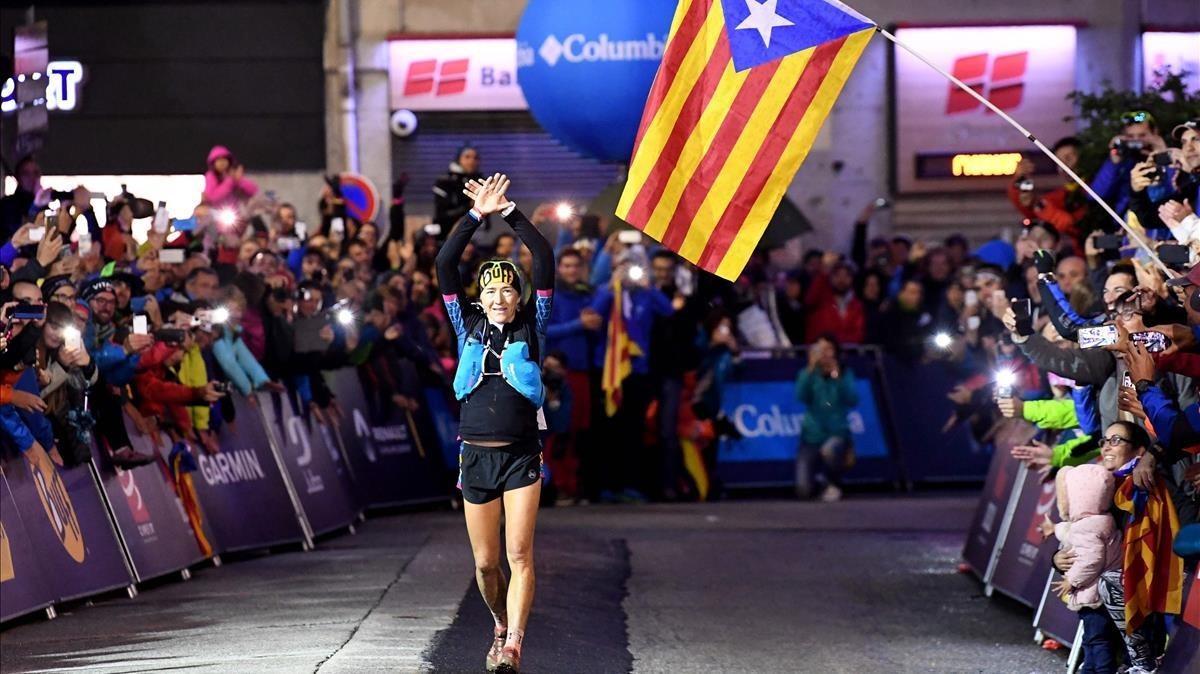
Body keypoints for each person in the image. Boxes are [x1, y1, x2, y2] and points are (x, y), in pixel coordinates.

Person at [434, 173, 554, 674]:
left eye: (508, 289)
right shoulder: (466, 325)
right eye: (491, 290)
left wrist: (511, 213)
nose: (500, 296)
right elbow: (444, 264)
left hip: (521, 453)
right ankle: (499, 623)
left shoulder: (533, 322)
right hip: (476, 455)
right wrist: (475, 217)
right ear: (478, 298)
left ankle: (514, 646)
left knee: (519, 553)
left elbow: (542, 258)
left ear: (519, 295)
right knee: (487, 564)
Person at [1043, 464, 1120, 674]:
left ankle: (1102, 671)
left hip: (1095, 594)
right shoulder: (1097, 521)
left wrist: (1072, 580)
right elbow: (1071, 533)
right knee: (1092, 638)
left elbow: (1092, 559)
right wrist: (1054, 529)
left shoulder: (1089, 526)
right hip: (1098, 593)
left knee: (1098, 639)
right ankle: (1090, 670)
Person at [794, 334, 859, 501]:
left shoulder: (845, 373)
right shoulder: (808, 373)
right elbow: (801, 396)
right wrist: (809, 369)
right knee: (803, 490)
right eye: (820, 349)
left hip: (837, 433)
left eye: (828, 349)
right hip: (811, 436)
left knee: (830, 450)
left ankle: (833, 483)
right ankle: (820, 481)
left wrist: (837, 377)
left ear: (835, 351)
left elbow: (852, 400)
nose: (824, 353)